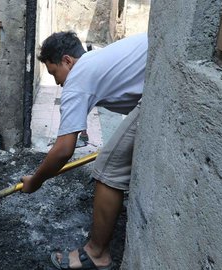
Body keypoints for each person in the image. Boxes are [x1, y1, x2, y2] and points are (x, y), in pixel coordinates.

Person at [21, 31, 147, 270]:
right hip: (158, 78)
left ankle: (97, 254)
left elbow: (63, 150)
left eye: (54, 73)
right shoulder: (95, 60)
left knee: (107, 170)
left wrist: (36, 181)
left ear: (67, 61)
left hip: (157, 89)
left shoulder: (77, 78)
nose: (57, 82)